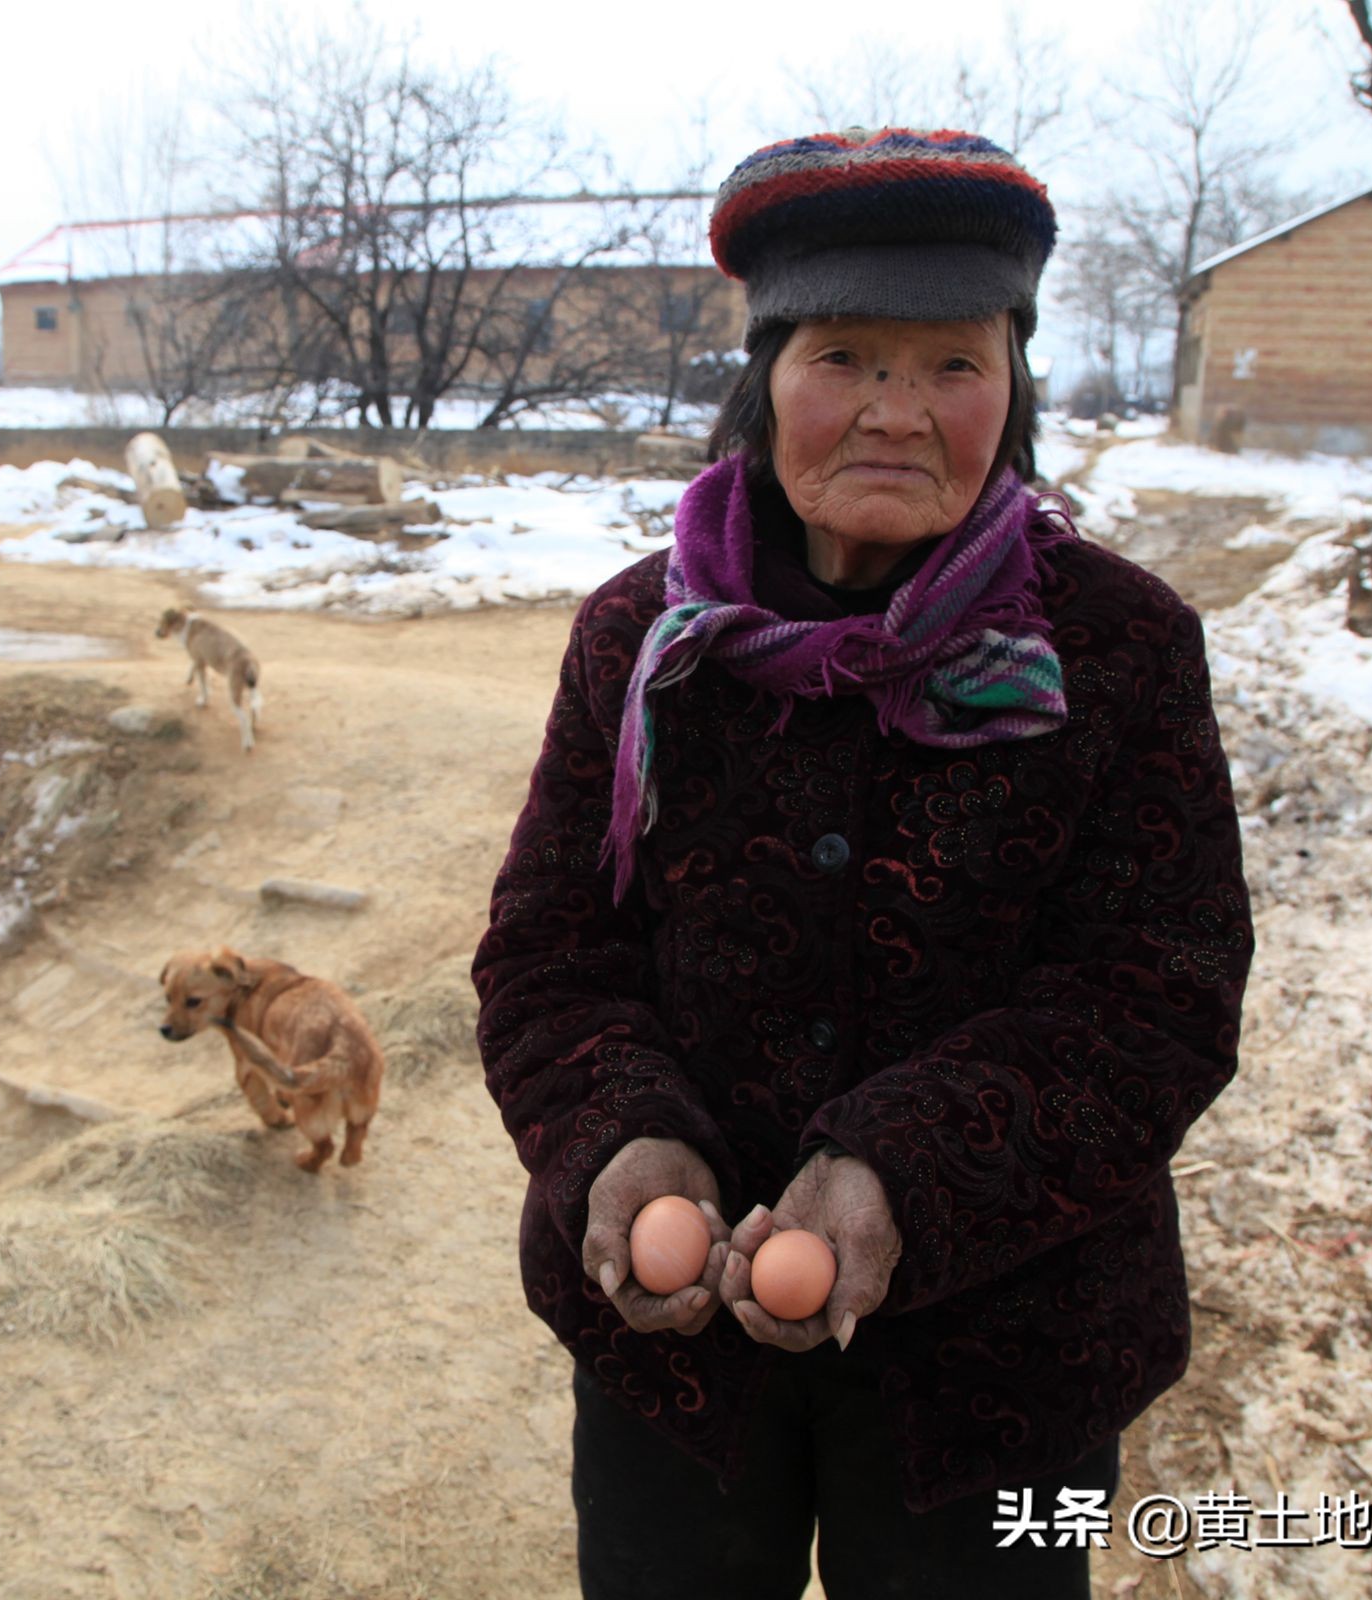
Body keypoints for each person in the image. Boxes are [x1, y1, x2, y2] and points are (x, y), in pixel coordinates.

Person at [474, 128, 1254, 1599]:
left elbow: (1159, 992)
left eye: (953, 364)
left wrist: (895, 1170)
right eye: (845, 355)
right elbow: (549, 947)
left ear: (1012, 389)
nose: (898, 413)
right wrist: (622, 1139)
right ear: (765, 377)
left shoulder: (1121, 647)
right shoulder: (640, 640)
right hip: (679, 1371)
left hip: (1005, 1373)